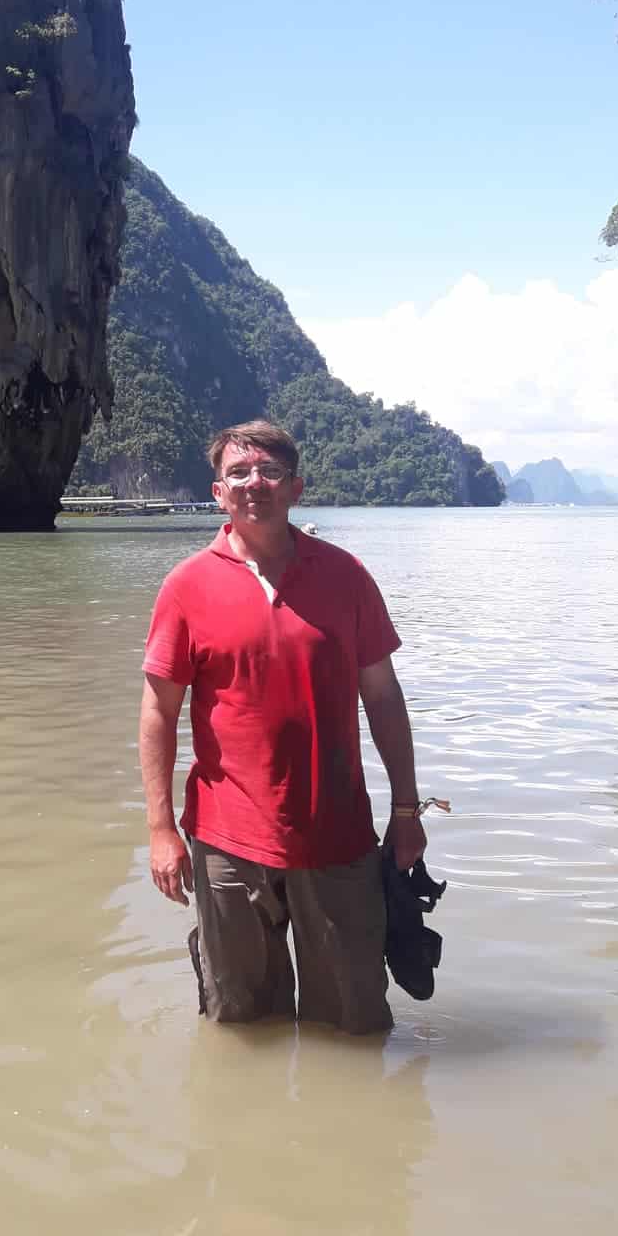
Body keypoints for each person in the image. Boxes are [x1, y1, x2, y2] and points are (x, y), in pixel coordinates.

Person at [138, 420, 425, 1033]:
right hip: (228, 845)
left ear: (296, 487)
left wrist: (407, 813)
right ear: (218, 493)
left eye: (269, 471)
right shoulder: (187, 586)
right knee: (241, 1026)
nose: (254, 483)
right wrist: (162, 830)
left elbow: (383, 696)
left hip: (338, 838)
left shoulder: (346, 576)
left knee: (352, 1024)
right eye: (238, 473)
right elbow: (158, 711)